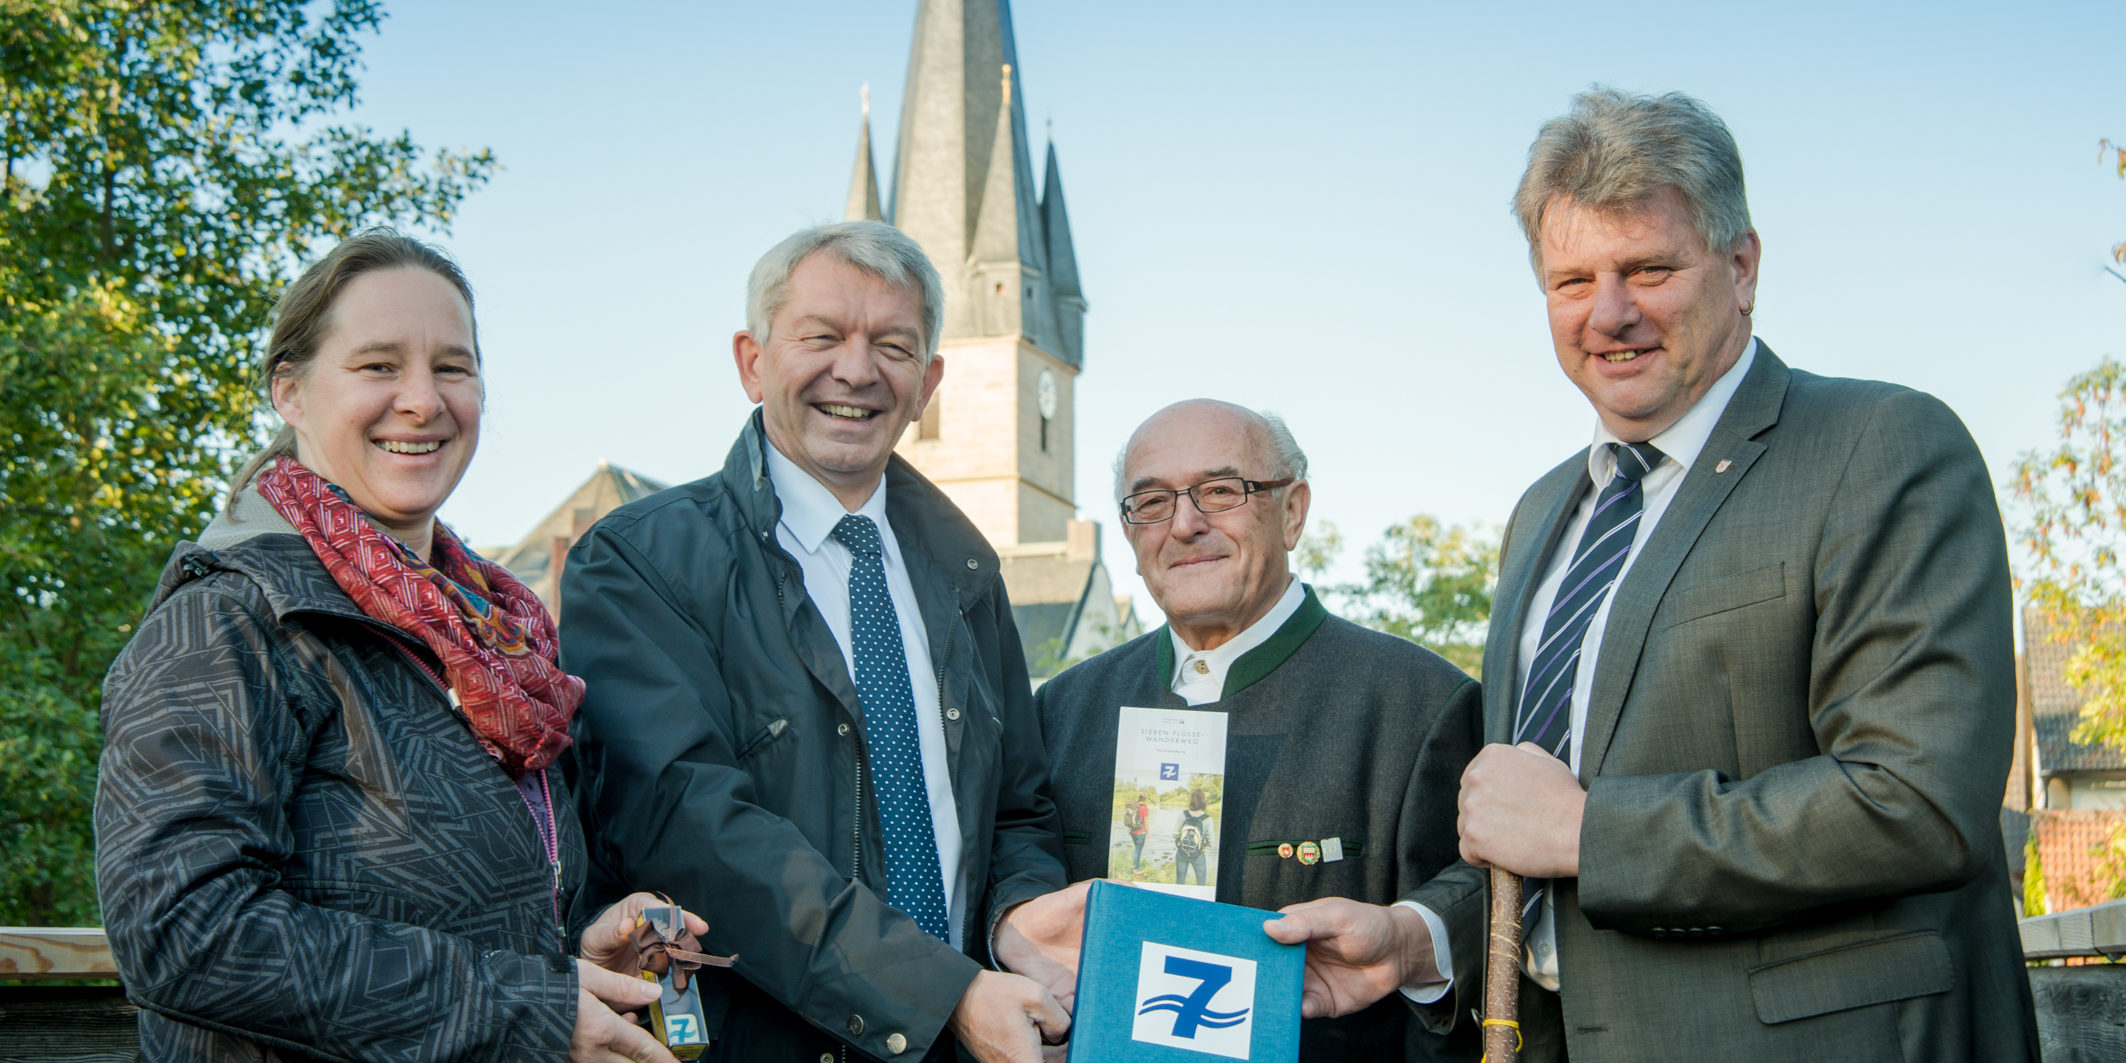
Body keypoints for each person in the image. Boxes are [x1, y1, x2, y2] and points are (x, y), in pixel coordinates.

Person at [1268, 88, 2039, 1062]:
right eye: (1570, 280)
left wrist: (1592, 831)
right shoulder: (1541, 515)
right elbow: (1532, 837)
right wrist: (1416, 940)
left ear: (1741, 265)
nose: (1609, 313)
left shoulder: (1880, 447)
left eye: (1647, 268)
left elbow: (1916, 802)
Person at [95, 229, 702, 1062]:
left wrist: (573, 959)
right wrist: (527, 1005)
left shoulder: (494, 633)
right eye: (378, 365)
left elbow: (456, 917)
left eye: (451, 366)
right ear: (291, 392)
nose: (421, 399)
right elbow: (181, 931)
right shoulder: (232, 618)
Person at [558, 220, 1084, 1063]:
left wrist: (1018, 915)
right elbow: (690, 829)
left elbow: (1019, 807)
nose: (857, 368)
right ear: (752, 361)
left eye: (893, 344)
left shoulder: (968, 572)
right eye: (822, 335)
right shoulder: (639, 562)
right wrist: (938, 991)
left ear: (929, 383)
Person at [1037, 400, 1480, 1060]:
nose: (1185, 524)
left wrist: (1415, 939)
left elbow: (1492, 907)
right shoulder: (1061, 711)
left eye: (1221, 491)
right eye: (1152, 501)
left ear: (1293, 510)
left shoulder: (1420, 702)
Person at [1173, 788, 1213, 886]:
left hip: (1181, 852)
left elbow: (1175, 834)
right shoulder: (1207, 819)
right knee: (1201, 884)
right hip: (1198, 854)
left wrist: (1182, 845)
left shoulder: (1183, 814)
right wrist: (1201, 850)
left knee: (1180, 883)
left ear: (1191, 800)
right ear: (1203, 801)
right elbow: (1211, 842)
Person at [1128, 789, 1152, 871]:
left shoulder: (1133, 805)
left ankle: (1135, 865)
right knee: (1138, 851)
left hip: (1132, 831)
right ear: (1145, 799)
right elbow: (1146, 821)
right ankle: (1136, 868)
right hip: (1140, 832)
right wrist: (1147, 832)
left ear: (1139, 797)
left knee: (1136, 849)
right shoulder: (1144, 808)